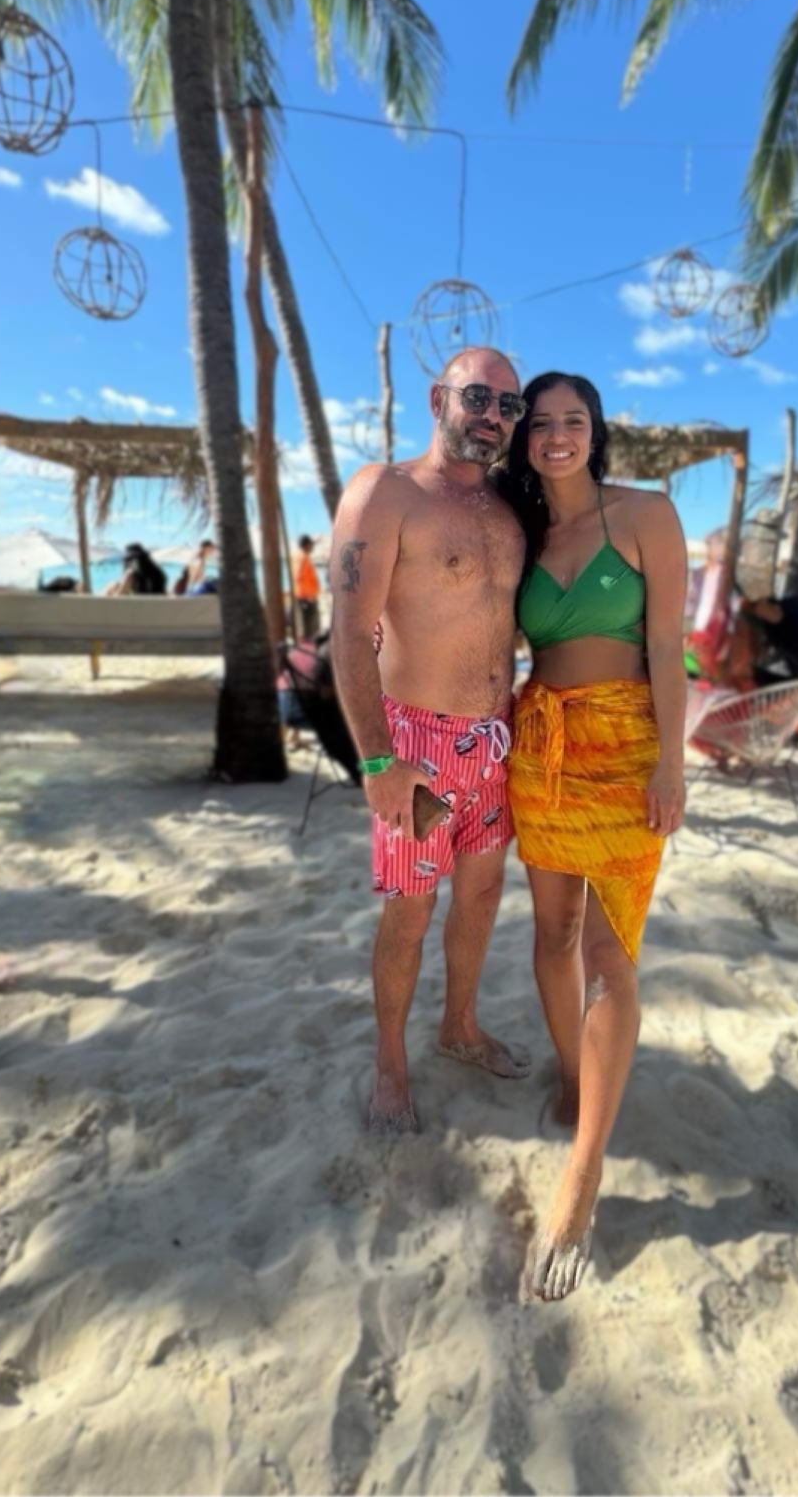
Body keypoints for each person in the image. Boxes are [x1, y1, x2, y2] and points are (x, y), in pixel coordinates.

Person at [502, 372, 687, 1302]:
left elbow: (667, 647)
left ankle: (583, 1174)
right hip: (541, 749)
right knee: (554, 934)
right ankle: (577, 1078)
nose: (557, 435)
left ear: (595, 431)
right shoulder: (521, 533)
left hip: (626, 750)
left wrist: (672, 764)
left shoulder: (646, 514)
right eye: (541, 423)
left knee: (612, 955)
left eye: (573, 420)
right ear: (525, 439)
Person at [330, 346, 531, 1137]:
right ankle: (390, 1061)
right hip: (417, 742)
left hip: (497, 738)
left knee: (480, 897)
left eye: (508, 406)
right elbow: (350, 628)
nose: (493, 416)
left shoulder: (509, 508)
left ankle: (459, 1026)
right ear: (437, 397)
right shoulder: (386, 491)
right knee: (410, 914)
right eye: (478, 397)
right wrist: (377, 758)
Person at [295, 535, 322, 639]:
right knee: (310, 628)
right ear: (306, 545)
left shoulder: (303, 556)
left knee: (311, 627)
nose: (312, 547)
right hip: (307, 598)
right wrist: (307, 595)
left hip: (307, 597)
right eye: (310, 544)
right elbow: (298, 576)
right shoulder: (303, 558)